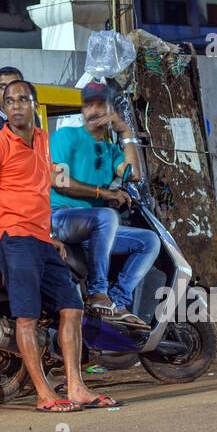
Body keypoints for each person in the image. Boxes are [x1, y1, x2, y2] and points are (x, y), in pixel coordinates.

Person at [0, 79, 117, 412]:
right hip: (13, 238)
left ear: (34, 104)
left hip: (41, 239)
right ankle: (44, 393)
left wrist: (49, 235)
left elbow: (41, 192)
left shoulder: (45, 142)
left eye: (23, 99)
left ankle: (76, 387)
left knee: (72, 307)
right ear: (3, 109)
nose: (17, 105)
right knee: (27, 317)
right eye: (10, 101)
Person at [49, 82, 157, 329]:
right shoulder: (67, 137)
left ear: (111, 109)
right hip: (62, 218)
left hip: (96, 228)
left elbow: (134, 174)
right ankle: (99, 293)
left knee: (149, 241)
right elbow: (61, 181)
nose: (94, 110)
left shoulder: (109, 151)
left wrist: (125, 130)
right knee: (107, 216)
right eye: (88, 104)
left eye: (100, 104)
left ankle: (117, 303)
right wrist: (103, 192)